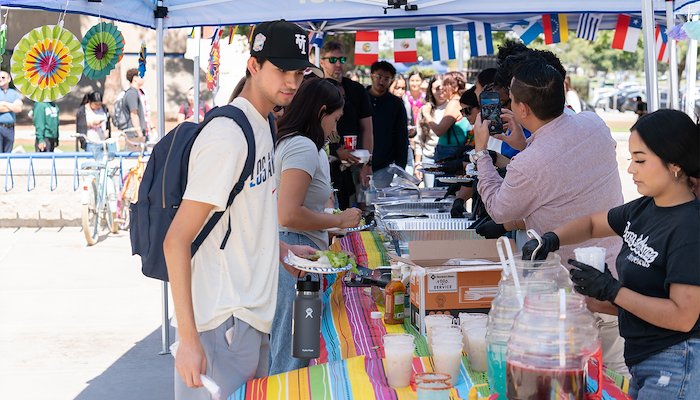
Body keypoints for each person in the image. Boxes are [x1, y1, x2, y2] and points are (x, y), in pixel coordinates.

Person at [163, 20, 322, 400]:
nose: (292, 81)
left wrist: (282, 251)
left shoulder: (263, 123)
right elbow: (176, 241)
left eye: (298, 72)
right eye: (281, 69)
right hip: (222, 322)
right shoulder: (227, 136)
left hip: (251, 316)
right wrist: (187, 339)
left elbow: (246, 217)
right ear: (254, 66)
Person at [522, 109, 700, 399]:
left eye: (640, 160)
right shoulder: (642, 209)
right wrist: (551, 239)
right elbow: (592, 224)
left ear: (675, 165)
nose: (631, 169)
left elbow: (683, 317)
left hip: (676, 364)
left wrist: (613, 290)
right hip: (645, 360)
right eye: (631, 159)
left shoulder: (690, 226)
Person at [472, 57, 629, 376]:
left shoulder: (529, 165)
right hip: (617, 276)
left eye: (512, 101)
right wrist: (523, 143)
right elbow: (564, 161)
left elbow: (500, 209)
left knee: (569, 378)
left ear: (523, 109)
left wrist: (480, 155)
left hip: (567, 294)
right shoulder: (593, 124)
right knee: (617, 378)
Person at [269, 78, 362, 375]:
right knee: (294, 356)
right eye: (335, 118)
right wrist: (338, 220)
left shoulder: (307, 145)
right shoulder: (302, 147)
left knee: (300, 349)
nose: (336, 126)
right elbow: (288, 213)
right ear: (321, 111)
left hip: (299, 256)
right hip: (297, 262)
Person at [319, 41, 373, 209]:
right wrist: (335, 150)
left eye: (342, 60)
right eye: (332, 60)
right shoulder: (314, 88)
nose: (338, 64)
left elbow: (367, 128)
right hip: (323, 159)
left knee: (356, 208)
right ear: (321, 61)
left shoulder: (356, 89)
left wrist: (367, 163)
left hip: (354, 160)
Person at [366, 61, 409, 188]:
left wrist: (400, 166)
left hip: (384, 164)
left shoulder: (396, 103)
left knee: (377, 202)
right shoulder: (360, 97)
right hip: (359, 162)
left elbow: (402, 136)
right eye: (379, 77)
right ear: (372, 76)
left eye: (386, 78)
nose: (381, 82)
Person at [421, 72, 469, 163]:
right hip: (453, 150)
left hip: (448, 152)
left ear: (455, 87)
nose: (442, 88)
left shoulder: (454, 103)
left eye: (445, 85)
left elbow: (439, 131)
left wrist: (427, 114)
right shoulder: (461, 101)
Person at [415, 75, 446, 187]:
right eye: (436, 88)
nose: (440, 91)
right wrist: (417, 163)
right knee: (431, 194)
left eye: (443, 87)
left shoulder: (452, 108)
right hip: (428, 157)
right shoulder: (425, 109)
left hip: (446, 158)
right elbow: (419, 138)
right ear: (431, 90)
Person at [0, 70, 23, 153]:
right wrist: (11, 106)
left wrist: (4, 103)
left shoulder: (14, 93)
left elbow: (18, 109)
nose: (0, 79)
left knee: (8, 154)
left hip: (10, 128)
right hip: (0, 126)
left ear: (9, 79)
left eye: (3, 77)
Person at [122, 68, 148, 138]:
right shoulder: (132, 93)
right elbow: (134, 114)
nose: (143, 78)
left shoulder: (136, 92)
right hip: (134, 135)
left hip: (136, 134)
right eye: (141, 76)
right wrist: (139, 133)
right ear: (135, 79)